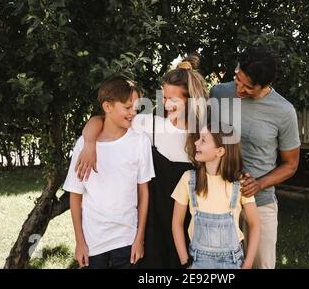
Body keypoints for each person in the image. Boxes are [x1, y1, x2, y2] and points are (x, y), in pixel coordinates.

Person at [75, 54, 209, 268]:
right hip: (152, 227)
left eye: (173, 99)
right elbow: (103, 118)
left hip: (190, 226)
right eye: (163, 97)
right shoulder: (150, 125)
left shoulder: (204, 137)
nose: (165, 104)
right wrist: (89, 143)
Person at [210, 46, 301, 269]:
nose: (239, 88)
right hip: (220, 200)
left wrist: (259, 184)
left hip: (260, 205)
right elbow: (206, 140)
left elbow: (291, 165)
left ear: (265, 85)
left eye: (247, 86)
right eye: (237, 79)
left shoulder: (283, 111)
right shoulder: (218, 94)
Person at [62, 76, 154, 269]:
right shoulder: (84, 145)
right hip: (93, 243)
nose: (133, 113)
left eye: (136, 107)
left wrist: (139, 238)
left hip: (127, 242)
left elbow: (144, 193)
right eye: (127, 107)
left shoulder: (140, 141)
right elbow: (75, 195)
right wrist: (79, 242)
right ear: (108, 106)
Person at [171, 121, 260, 269]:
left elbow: (255, 224)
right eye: (198, 138)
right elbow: (176, 223)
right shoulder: (188, 179)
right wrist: (185, 263)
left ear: (220, 151)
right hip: (197, 262)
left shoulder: (240, 183)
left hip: (232, 263)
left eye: (203, 140)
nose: (196, 143)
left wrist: (248, 264)